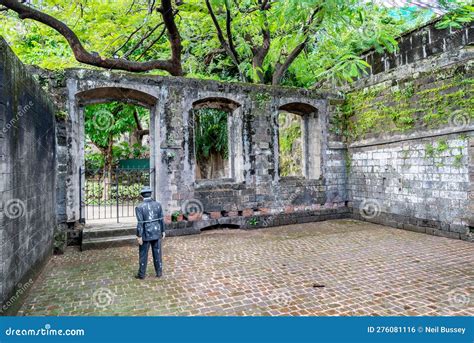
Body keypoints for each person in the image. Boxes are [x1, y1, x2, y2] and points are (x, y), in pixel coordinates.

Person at [135, 186, 165, 279]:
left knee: (143, 254)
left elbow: (140, 222)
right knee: (158, 253)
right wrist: (163, 230)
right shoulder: (158, 205)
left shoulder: (139, 207)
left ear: (142, 195)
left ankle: (141, 274)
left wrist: (139, 235)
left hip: (145, 234)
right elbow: (161, 219)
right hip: (156, 232)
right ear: (150, 194)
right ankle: (159, 272)